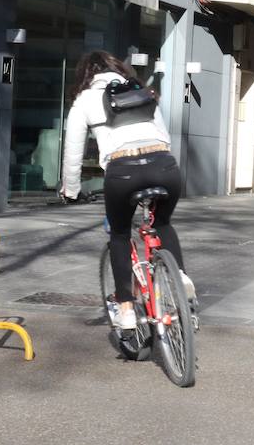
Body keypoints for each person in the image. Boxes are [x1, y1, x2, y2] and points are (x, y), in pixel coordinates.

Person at [60, 50, 193, 330]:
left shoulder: (84, 99)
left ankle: (127, 309)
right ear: (117, 68)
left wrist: (71, 189)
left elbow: (73, 150)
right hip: (164, 164)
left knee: (119, 235)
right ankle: (180, 277)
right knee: (163, 223)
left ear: (85, 74)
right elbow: (163, 135)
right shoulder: (140, 91)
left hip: (123, 171)